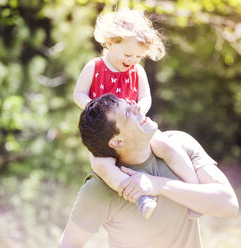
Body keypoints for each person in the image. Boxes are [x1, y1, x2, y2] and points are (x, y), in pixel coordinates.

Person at [59, 94, 239, 248]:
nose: (137, 107)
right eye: (127, 112)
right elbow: (69, 244)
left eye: (130, 102)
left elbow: (229, 204)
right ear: (117, 141)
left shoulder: (180, 144)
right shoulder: (99, 189)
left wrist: (158, 185)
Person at [73, 8, 201, 219]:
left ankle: (194, 191)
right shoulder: (94, 67)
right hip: (105, 131)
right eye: (128, 54)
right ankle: (140, 197)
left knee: (167, 146)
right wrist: (93, 107)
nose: (133, 60)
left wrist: (140, 108)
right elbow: (78, 93)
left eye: (139, 56)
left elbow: (145, 98)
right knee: (101, 164)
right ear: (111, 42)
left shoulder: (137, 71)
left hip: (136, 124)